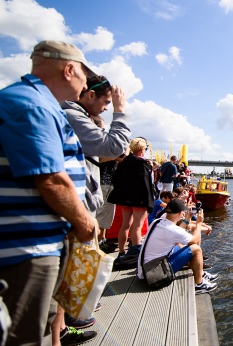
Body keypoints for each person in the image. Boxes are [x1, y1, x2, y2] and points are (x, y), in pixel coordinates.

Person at [0, 40, 97, 345]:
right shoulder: (32, 104)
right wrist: (84, 223)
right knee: (23, 335)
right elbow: (51, 179)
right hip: (27, 247)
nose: (86, 84)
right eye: (84, 75)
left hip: (38, 241)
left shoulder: (37, 102)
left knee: (36, 327)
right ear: (69, 69)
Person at [61, 75, 131, 216]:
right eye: (106, 102)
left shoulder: (73, 115)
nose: (106, 108)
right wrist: (119, 110)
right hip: (78, 206)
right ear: (91, 95)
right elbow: (114, 147)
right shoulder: (74, 117)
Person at [137, 200, 218, 294]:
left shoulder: (158, 221)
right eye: (183, 212)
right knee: (196, 249)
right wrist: (199, 224)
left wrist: (187, 220)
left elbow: (178, 231)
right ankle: (199, 284)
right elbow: (194, 240)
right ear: (180, 213)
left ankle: (201, 273)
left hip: (144, 269)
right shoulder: (171, 229)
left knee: (182, 245)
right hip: (154, 273)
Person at [107, 137, 155, 258]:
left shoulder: (124, 162)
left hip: (125, 198)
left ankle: (121, 251)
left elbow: (116, 179)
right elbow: (146, 185)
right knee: (137, 226)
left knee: (125, 225)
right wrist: (149, 202)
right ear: (142, 149)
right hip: (139, 199)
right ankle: (135, 252)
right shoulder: (143, 164)